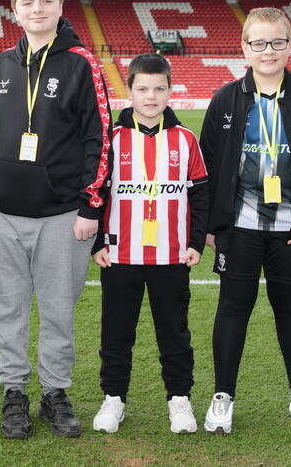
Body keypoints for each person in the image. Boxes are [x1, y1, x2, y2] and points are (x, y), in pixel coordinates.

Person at [0, 0, 111, 439]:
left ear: (60, 6)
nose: (37, 10)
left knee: (57, 308)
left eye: (45, 1)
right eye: (27, 3)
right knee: (5, 306)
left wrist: (91, 207)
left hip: (62, 214)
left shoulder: (82, 63)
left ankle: (55, 392)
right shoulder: (2, 65)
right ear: (14, 11)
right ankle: (14, 392)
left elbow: (100, 140)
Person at [199, 7, 291, 434]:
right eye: (258, 43)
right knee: (232, 309)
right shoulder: (226, 98)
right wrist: (206, 224)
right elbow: (203, 166)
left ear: (290, 45)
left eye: (277, 42)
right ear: (244, 47)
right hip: (239, 228)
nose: (268, 50)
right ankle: (223, 395)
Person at [90, 54, 208, 435]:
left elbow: (201, 194)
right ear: (130, 91)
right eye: (143, 89)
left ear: (170, 90)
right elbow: (96, 193)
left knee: (174, 333)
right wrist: (96, 243)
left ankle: (179, 400)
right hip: (120, 255)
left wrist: (195, 244)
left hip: (172, 256)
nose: (151, 96)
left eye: (159, 89)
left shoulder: (186, 139)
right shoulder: (112, 139)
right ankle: (114, 399)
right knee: (116, 333)